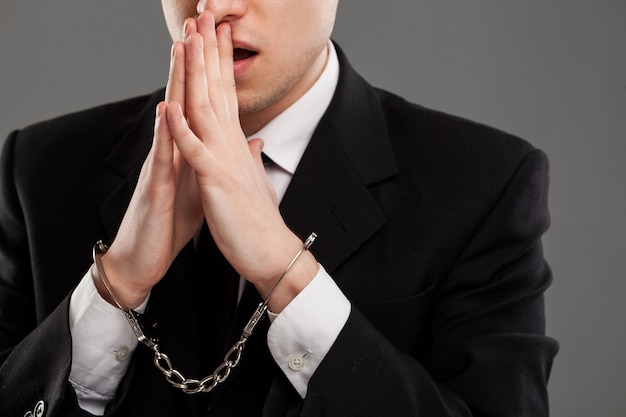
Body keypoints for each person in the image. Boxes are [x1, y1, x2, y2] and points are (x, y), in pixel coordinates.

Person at [0, 0, 558, 416]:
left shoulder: (484, 182)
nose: (215, 7)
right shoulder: (39, 168)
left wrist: (287, 274)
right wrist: (115, 284)